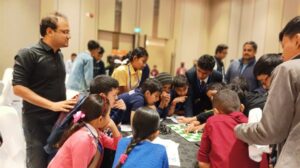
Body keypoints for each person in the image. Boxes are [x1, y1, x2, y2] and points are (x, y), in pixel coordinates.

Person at [12, 12, 76, 168]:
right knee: (37, 162)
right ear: (49, 31)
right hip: (37, 122)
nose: (69, 36)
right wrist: (52, 105)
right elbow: (18, 88)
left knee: (54, 163)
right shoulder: (28, 54)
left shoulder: (59, 55)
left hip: (58, 120)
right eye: (64, 31)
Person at [234, 16, 300, 168]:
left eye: (284, 46)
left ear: (297, 40)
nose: (282, 54)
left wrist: (237, 129)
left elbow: (270, 131)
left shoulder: (288, 69)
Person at [48, 94, 121, 168]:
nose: (110, 118)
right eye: (109, 115)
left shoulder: (93, 131)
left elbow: (116, 145)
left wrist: (112, 126)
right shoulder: (83, 139)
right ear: (100, 119)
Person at [198, 89, 259, 168]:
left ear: (215, 112)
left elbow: (203, 163)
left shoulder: (213, 122)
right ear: (241, 108)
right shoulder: (251, 124)